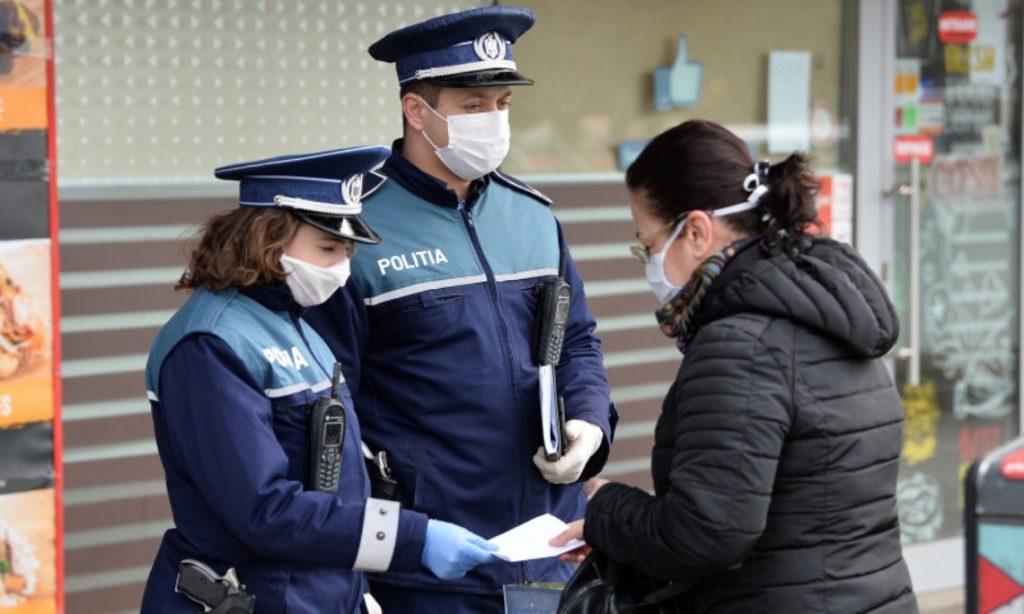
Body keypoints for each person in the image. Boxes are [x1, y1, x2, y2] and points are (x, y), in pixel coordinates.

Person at [303, 7, 617, 612]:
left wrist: (589, 422)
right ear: (416, 110)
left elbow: (577, 342)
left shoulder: (533, 216)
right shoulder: (358, 230)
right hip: (428, 562)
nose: (494, 121)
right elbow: (325, 403)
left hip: (549, 547)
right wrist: (360, 555)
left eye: (502, 104)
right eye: (474, 107)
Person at [551, 120, 918, 612]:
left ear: (697, 230)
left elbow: (706, 534)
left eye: (648, 245)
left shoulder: (741, 346)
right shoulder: (829, 315)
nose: (649, 266)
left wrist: (604, 507)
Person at [140, 146, 500, 613]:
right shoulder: (210, 344)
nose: (342, 267)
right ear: (267, 239)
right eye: (328, 248)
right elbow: (263, 510)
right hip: (254, 597)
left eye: (348, 251)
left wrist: (358, 592)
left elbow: (332, 483)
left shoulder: (296, 323)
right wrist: (411, 538)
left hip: (314, 593)